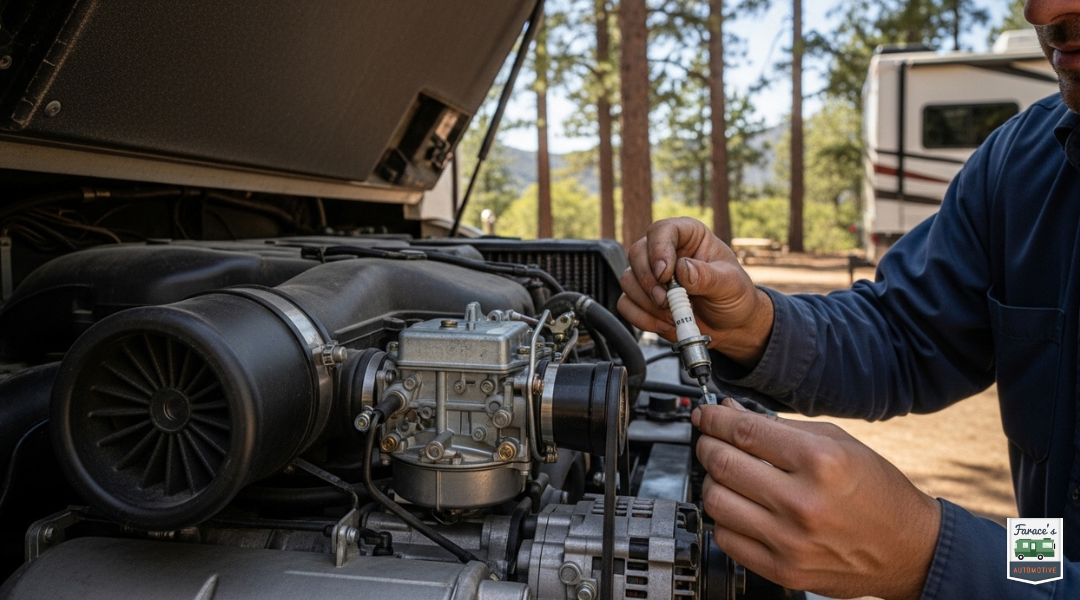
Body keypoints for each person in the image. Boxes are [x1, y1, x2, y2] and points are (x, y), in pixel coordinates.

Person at [617, 2, 1080, 598]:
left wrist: (931, 552)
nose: (1042, 9)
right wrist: (755, 323)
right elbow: (907, 329)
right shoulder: (1025, 162)